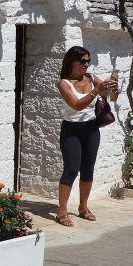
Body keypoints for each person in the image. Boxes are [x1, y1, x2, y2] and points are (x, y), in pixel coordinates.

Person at [55, 46, 117, 226]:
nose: (86, 64)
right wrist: (96, 90)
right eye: (82, 61)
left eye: (88, 61)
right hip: (72, 130)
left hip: (91, 129)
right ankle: (62, 211)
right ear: (71, 62)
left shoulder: (90, 78)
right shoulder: (63, 83)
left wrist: (113, 88)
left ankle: (83, 207)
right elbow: (77, 105)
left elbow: (110, 97)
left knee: (88, 168)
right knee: (71, 169)